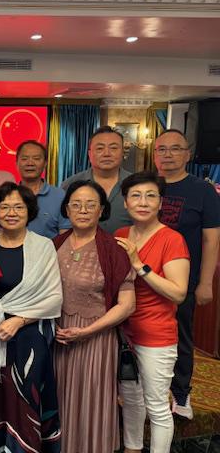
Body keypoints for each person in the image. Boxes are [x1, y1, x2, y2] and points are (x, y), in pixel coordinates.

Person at [53, 179, 135, 453]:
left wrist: (86, 332)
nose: (83, 210)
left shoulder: (114, 249)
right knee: (59, 398)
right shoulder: (54, 244)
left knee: (91, 401)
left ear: (102, 210)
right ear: (67, 210)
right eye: (76, 204)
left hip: (96, 338)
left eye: (91, 205)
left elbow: (127, 305)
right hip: (59, 337)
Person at [0, 182, 63, 453]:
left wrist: (19, 320)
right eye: (4, 207)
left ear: (29, 211)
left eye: (18, 207)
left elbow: (54, 298)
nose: (11, 213)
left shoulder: (43, 247)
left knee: (25, 400)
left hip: (29, 338)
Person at [114, 171, 190, 453]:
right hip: (125, 334)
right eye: (135, 196)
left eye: (150, 196)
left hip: (156, 336)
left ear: (160, 203)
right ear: (125, 202)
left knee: (157, 406)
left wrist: (139, 265)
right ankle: (132, 448)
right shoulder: (121, 235)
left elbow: (178, 293)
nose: (143, 202)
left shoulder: (172, 239)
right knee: (131, 400)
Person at [153, 129, 220, 419]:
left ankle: (181, 394)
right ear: (154, 154)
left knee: (180, 337)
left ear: (187, 154)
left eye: (175, 149)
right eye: (162, 149)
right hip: (144, 278)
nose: (168, 155)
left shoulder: (202, 190)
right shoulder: (147, 184)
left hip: (183, 282)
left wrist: (205, 283)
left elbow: (211, 239)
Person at [61, 125, 132, 234]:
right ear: (89, 154)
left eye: (113, 148)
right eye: (100, 148)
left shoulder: (135, 185)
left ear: (123, 152)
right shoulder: (70, 184)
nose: (107, 154)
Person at [16, 140, 70, 238]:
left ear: (45, 163)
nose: (30, 163)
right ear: (17, 163)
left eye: (36, 158)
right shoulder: (9, 196)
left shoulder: (60, 196)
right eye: (24, 158)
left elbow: (65, 237)